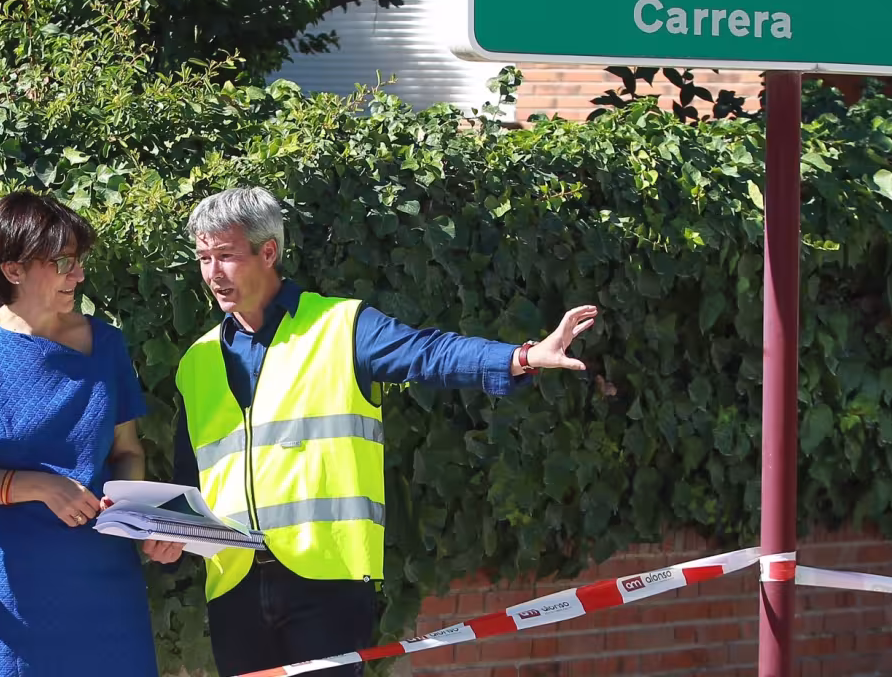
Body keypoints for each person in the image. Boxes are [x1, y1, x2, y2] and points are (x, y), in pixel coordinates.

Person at [168, 186, 599, 677]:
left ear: (268, 252)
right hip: (233, 588)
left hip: (326, 582)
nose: (212, 273)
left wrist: (519, 357)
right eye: (204, 258)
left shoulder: (340, 325)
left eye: (226, 256)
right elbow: (191, 482)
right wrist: (167, 539)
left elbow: (428, 353)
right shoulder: (196, 362)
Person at [0, 190, 181, 676]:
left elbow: (127, 453)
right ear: (14, 269)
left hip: (106, 593)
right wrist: (41, 486)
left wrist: (137, 516)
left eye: (79, 260)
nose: (79, 275)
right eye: (63, 262)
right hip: (7, 604)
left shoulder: (108, 344)